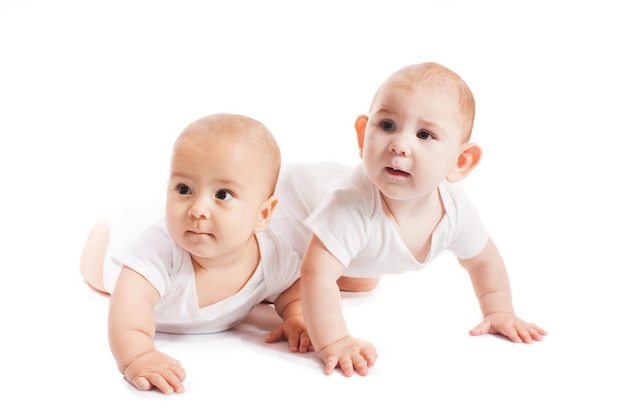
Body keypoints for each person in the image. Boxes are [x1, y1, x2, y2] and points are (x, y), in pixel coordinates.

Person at [270, 62, 547, 377]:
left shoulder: (453, 210)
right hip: (275, 212)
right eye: (387, 125)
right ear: (363, 135)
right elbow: (316, 273)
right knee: (250, 271)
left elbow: (484, 261)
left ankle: (287, 290)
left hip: (319, 242)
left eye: (424, 134)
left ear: (460, 161)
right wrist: (334, 340)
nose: (399, 145)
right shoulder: (351, 204)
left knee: (362, 278)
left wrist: (499, 311)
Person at [79, 113, 311, 394]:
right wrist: (138, 355)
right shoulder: (160, 252)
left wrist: (296, 316)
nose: (197, 207)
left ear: (262, 214)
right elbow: (129, 305)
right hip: (113, 254)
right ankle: (107, 228)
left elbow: (292, 288)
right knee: (94, 270)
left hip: (175, 234)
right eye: (183, 189)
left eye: (222, 195)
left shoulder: (271, 254)